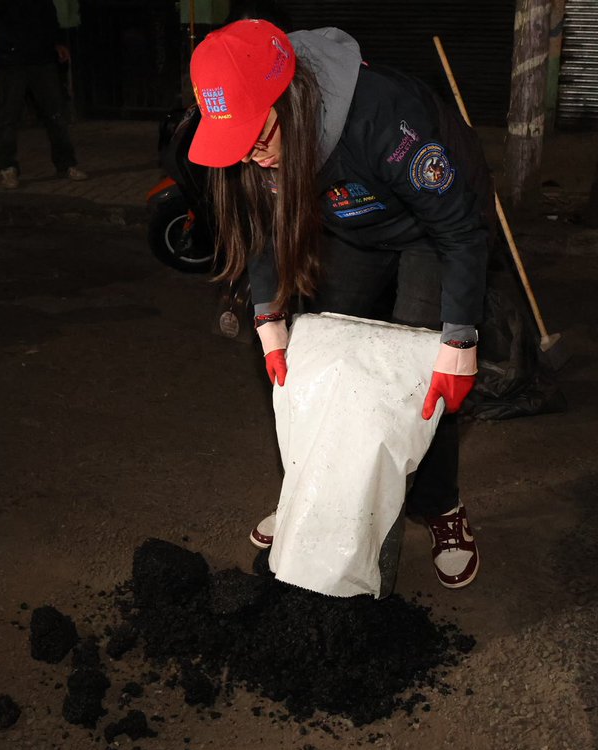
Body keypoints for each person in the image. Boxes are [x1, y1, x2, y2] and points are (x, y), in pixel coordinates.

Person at [187, 20, 496, 590]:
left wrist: (459, 339)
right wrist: (268, 317)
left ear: (291, 99)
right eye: (239, 141)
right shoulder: (262, 144)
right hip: (352, 226)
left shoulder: (384, 118)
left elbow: (458, 228)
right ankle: (314, 498)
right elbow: (262, 226)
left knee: (418, 374)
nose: (252, 155)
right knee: (323, 353)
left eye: (259, 136)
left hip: (433, 232)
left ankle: (440, 505)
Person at [0, 0, 87, 189]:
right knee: (9, 116)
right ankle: (8, 167)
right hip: (11, 58)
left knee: (56, 113)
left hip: (40, 55)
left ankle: (66, 163)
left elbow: (47, 10)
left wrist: (57, 41)